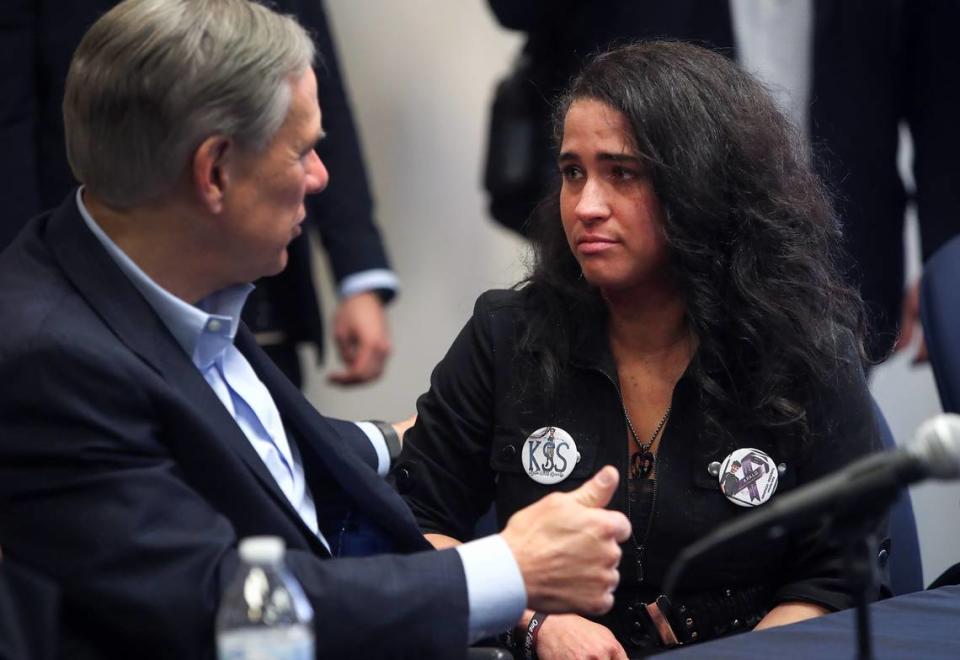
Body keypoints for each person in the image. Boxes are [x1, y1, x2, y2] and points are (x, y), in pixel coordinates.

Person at [0, 1, 631, 658]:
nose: (320, 177)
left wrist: (388, 438)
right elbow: (225, 604)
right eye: (303, 151)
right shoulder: (46, 361)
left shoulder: (153, 277)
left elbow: (224, 439)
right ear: (214, 171)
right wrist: (512, 568)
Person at [395, 41, 887, 658]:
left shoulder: (799, 347)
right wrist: (535, 622)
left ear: (700, 183)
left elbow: (838, 574)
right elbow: (414, 527)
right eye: (573, 173)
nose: (586, 206)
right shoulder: (506, 335)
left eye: (621, 173)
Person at [483, 0, 960, 365]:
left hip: (836, 249)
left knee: (818, 458)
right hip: (638, 260)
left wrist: (948, 261)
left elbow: (942, 87)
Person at [0, 0, 395, 390]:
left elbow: (315, 102)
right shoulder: (46, 346)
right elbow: (10, 116)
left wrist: (358, 272)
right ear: (214, 170)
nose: (319, 178)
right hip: (106, 270)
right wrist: (25, 291)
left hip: (263, 308)